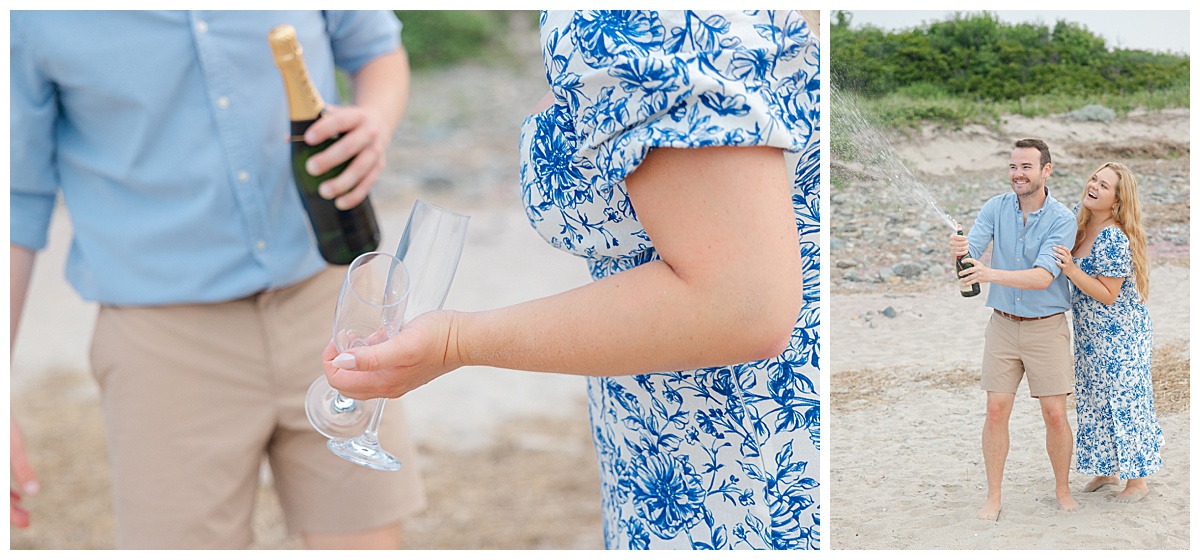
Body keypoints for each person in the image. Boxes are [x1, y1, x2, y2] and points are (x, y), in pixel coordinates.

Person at [324, 10, 821, 550]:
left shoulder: (626, 18)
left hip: (745, 460)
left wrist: (455, 341)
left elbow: (738, 307)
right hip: (678, 444)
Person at [10, 11, 425, 549]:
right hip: (162, 342)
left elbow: (377, 50)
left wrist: (374, 120)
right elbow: (15, 199)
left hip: (331, 305)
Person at [949, 138, 1079, 520]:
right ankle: (993, 496)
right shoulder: (995, 207)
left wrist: (988, 274)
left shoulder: (1062, 219)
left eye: (1026, 167)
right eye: (1013, 167)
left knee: (1055, 414)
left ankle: (1062, 489)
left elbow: (1042, 277)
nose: (1018, 174)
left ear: (1046, 171)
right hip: (1002, 325)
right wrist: (958, 248)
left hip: (1047, 328)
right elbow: (968, 256)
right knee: (995, 411)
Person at [1052, 162, 1162, 503]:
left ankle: (1137, 481)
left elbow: (1108, 293)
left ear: (1116, 201)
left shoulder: (1112, 235)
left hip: (1121, 334)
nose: (1094, 186)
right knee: (1095, 399)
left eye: (1104, 185)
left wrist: (1069, 269)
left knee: (1125, 402)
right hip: (1091, 334)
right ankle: (1107, 469)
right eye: (1094, 179)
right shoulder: (1080, 222)